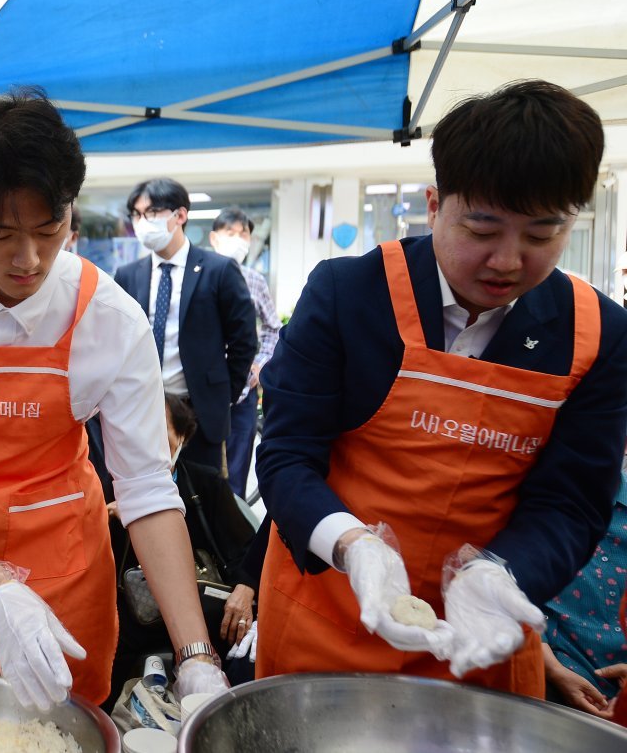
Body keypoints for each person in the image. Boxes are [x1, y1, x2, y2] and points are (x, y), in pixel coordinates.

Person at [0, 90, 229, 711]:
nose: (27, 259)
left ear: (72, 212)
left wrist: (196, 656)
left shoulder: (109, 319)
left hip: (61, 574)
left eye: (49, 230)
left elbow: (145, 488)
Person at [255, 80, 627, 697]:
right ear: (435, 204)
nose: (508, 261)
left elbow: (571, 502)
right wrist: (354, 547)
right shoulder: (349, 295)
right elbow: (287, 455)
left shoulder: (599, 335)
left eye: (541, 236)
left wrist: (502, 576)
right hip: (331, 616)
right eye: (482, 231)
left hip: (483, 638)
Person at [104, 393, 260, 707]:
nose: (149, 443)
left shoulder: (205, 484)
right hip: (132, 619)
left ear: (182, 437)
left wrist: (246, 589)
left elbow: (247, 549)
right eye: (141, 431)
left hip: (206, 613)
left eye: (159, 431)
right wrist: (105, 517)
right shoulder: (107, 485)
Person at [115, 179, 258, 473]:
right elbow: (117, 340)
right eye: (137, 215)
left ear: (180, 215)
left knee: (201, 503)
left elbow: (244, 340)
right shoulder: (129, 275)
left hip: (199, 412)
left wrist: (222, 395)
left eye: (152, 212)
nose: (143, 222)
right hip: (141, 411)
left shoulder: (218, 270)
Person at [540, 452, 627, 718]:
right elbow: (512, 585)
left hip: (613, 702)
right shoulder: (559, 492)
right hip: (538, 674)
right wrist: (551, 667)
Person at [210, 209, 282, 497]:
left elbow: (273, 328)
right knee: (203, 468)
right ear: (214, 238)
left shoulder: (254, 280)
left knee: (238, 470)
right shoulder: (200, 275)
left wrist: (259, 365)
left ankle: (233, 536)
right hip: (205, 390)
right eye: (231, 233)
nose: (238, 239)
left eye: (244, 234)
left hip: (243, 390)